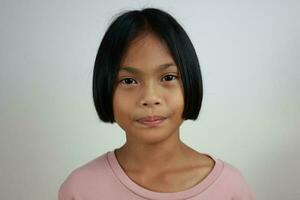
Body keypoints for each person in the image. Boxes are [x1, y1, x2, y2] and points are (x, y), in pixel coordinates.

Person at [58, 7, 256, 200]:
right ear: (105, 87)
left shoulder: (229, 187)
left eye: (168, 77)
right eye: (128, 81)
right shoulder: (81, 189)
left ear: (190, 81)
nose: (150, 97)